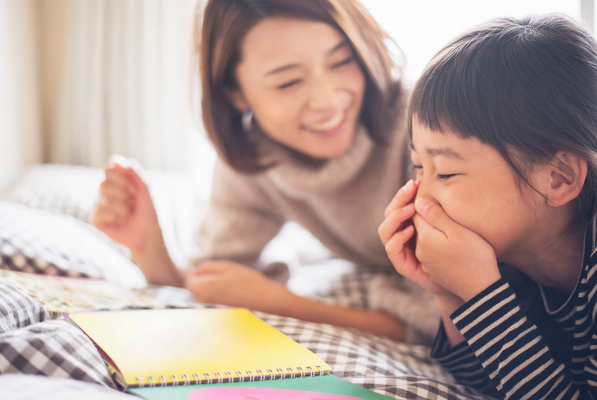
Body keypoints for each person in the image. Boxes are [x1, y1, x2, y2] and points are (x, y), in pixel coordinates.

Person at [91, 0, 435, 342]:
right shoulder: (252, 156)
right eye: (288, 82)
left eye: (342, 61)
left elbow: (441, 330)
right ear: (236, 94)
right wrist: (150, 248)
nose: (328, 99)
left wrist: (283, 305)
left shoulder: (425, 132)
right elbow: (219, 282)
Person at [379, 13, 597, 398]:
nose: (421, 195)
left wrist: (483, 295)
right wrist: (450, 292)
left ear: (559, 177)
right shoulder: (513, 265)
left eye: (445, 172)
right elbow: (491, 386)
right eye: (417, 167)